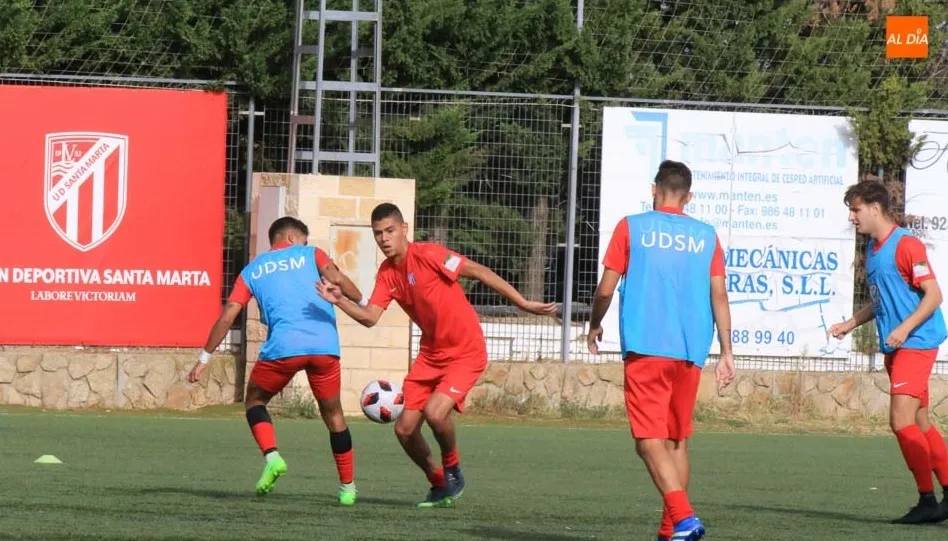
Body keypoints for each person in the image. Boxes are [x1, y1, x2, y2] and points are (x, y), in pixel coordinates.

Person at [315, 202, 557, 508]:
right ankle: (439, 483)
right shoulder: (387, 274)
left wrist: (522, 303)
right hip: (430, 355)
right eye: (378, 234)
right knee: (404, 430)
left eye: (390, 231)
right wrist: (338, 300)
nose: (384, 239)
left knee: (435, 412)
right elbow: (370, 317)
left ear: (404, 230)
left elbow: (478, 271)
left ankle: (453, 468)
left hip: (466, 351)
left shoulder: (428, 255)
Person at [587, 160, 736, 541]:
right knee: (676, 440)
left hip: (647, 345)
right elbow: (718, 294)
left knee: (647, 440)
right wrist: (727, 351)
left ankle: (684, 518)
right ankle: (670, 532)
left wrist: (594, 322)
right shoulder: (706, 235)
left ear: (654, 189)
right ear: (688, 197)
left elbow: (606, 287)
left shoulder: (631, 227)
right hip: (690, 349)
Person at [187, 216, 366, 505]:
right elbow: (337, 279)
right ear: (294, 238)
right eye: (304, 239)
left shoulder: (251, 270)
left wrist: (204, 358)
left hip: (283, 348)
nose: (305, 244)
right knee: (334, 416)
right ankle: (348, 489)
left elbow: (229, 314)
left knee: (255, 402)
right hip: (324, 347)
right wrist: (360, 300)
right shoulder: (312, 253)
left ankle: (272, 457)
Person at [829, 180, 948, 524]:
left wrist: (905, 328)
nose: (852, 217)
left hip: (917, 342)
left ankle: (927, 501)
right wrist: (850, 323)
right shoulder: (874, 251)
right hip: (898, 346)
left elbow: (933, 296)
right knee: (921, 423)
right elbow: (881, 304)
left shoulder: (906, 245)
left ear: (875, 208)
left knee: (900, 421)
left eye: (855, 209)